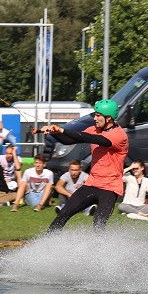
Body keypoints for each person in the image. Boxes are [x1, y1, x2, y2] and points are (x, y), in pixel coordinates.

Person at [44, 99, 129, 232]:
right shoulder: (94, 130)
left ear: (108, 118)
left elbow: (93, 139)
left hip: (110, 188)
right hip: (91, 184)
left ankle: (100, 250)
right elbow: (71, 140)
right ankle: (47, 243)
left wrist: (62, 129)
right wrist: (55, 133)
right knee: (64, 213)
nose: (95, 118)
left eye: (98, 115)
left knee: (98, 224)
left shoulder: (119, 135)